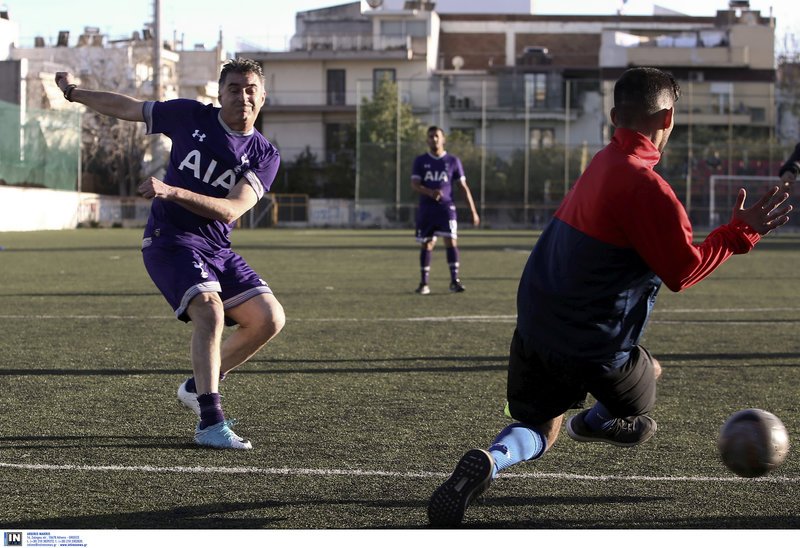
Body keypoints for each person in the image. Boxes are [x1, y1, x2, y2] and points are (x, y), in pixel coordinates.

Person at [427, 67, 792, 527]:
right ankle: (598, 421)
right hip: (593, 344)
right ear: (669, 118)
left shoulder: (600, 163)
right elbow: (683, 272)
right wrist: (740, 233)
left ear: (615, 115)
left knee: (540, 426)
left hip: (536, 324)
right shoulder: (650, 190)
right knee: (647, 376)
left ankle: (492, 459)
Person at [55, 58, 285, 450]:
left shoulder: (265, 155)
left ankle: (198, 386)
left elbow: (231, 209)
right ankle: (211, 422)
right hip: (170, 239)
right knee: (209, 311)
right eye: (234, 88)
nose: (242, 97)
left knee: (269, 319)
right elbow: (128, 107)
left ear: (262, 97)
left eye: (250, 90)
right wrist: (74, 94)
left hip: (217, 246)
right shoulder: (188, 115)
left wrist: (171, 190)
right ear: (219, 92)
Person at [410, 126, 480, 295]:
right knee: (427, 243)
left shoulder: (453, 161)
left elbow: (463, 187)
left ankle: (454, 281)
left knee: (451, 241)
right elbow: (414, 184)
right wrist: (430, 192)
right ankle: (424, 283)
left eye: (437, 136)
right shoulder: (420, 161)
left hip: (446, 208)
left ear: (443, 139)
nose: (434, 139)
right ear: (427, 140)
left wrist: (473, 211)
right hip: (427, 208)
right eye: (431, 136)